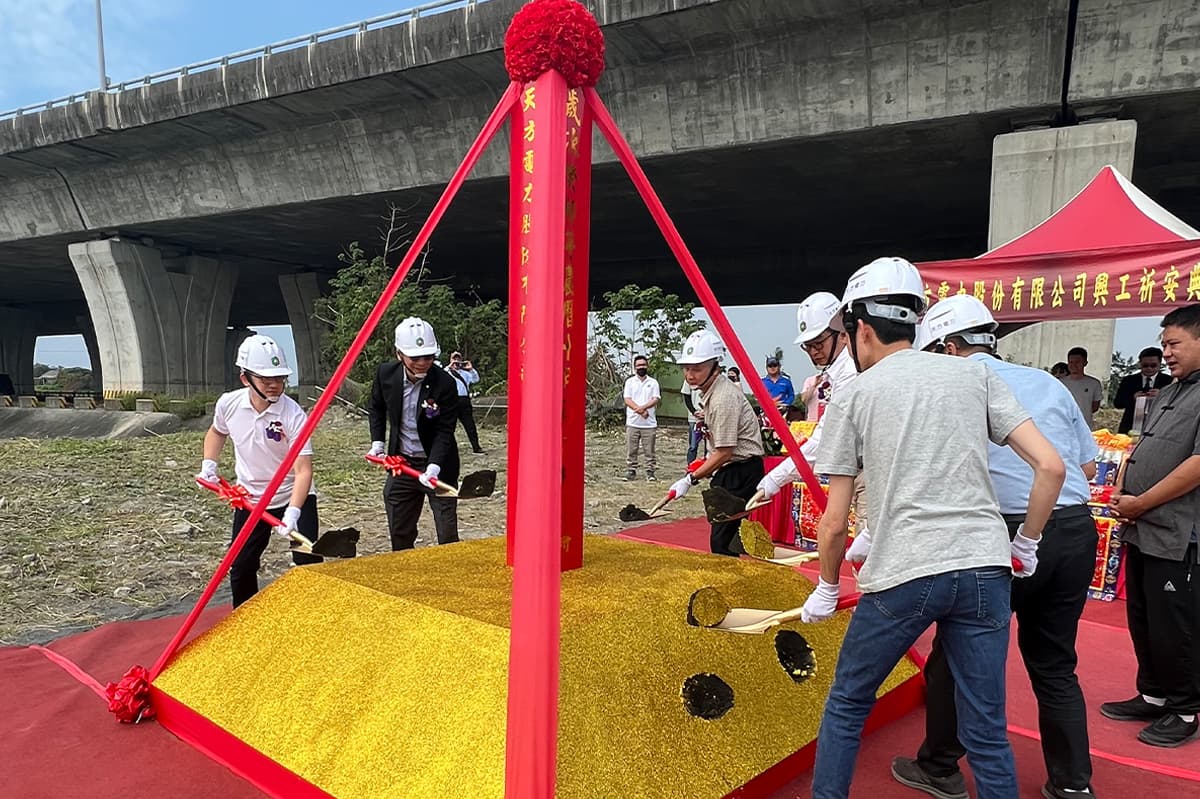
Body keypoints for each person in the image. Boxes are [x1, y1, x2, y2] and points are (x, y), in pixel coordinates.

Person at [801, 256, 1066, 799]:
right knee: (987, 729)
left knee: (849, 702)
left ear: (861, 329)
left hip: (907, 572)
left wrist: (827, 588)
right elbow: (1051, 466)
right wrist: (1027, 542)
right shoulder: (974, 373)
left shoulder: (855, 394)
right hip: (986, 571)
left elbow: (833, 521)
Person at [892, 294, 1100, 799]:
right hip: (1073, 526)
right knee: (1054, 663)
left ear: (946, 346)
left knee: (957, 652)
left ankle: (939, 766)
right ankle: (1072, 784)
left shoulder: (957, 385)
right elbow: (1087, 467)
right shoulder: (1048, 382)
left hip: (1000, 533)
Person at [1102, 303, 1200, 748]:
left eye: (1175, 343)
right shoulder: (1170, 391)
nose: (1167, 353)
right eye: (1164, 344)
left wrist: (1141, 502)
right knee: (1143, 617)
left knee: (1175, 623)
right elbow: (1142, 446)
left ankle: (1185, 707)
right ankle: (1155, 694)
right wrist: (1125, 486)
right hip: (1143, 526)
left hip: (1179, 532)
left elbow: (1197, 464)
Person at [198, 334, 322, 608]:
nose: (275, 385)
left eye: (280, 378)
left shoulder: (293, 414)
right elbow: (217, 433)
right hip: (250, 499)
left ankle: (315, 617)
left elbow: (303, 471)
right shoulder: (228, 404)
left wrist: (293, 512)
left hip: (293, 495)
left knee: (308, 560)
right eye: (267, 380)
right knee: (241, 565)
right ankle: (245, 621)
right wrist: (209, 463)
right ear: (246, 379)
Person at [756, 292, 868, 558]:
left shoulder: (851, 373)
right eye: (808, 346)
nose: (814, 351)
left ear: (842, 332)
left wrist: (774, 479)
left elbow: (826, 438)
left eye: (819, 342)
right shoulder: (837, 372)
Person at [368, 317, 461, 551]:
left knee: (447, 533)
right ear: (399, 354)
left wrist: (434, 468)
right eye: (415, 357)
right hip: (402, 464)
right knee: (400, 528)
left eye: (428, 357)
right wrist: (377, 442)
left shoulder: (445, 384)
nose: (423, 363)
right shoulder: (385, 374)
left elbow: (444, 431)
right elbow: (376, 407)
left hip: (437, 464)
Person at [670, 329, 764, 556]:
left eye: (697, 368)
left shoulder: (723, 398)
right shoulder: (711, 393)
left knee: (722, 541)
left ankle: (730, 585)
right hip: (729, 469)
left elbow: (724, 451)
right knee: (729, 538)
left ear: (715, 366)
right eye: (687, 368)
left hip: (739, 471)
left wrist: (690, 480)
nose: (690, 375)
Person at [1112, 346, 1172, 434]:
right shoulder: (1129, 380)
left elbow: (1176, 404)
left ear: (1160, 364)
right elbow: (1118, 403)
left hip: (1157, 426)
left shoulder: (1169, 381)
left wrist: (1162, 396)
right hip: (1130, 427)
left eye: (1153, 365)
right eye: (1145, 365)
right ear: (1140, 364)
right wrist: (1133, 398)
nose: (1149, 368)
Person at [623, 355, 661, 481]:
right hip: (633, 422)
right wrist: (640, 411)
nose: (641, 367)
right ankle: (631, 471)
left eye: (643, 365)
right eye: (639, 366)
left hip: (649, 424)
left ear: (647, 366)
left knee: (649, 450)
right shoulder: (630, 382)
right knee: (631, 449)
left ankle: (650, 472)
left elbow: (655, 399)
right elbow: (627, 399)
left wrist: (642, 408)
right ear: (634, 367)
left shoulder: (653, 382)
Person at [447, 351, 484, 453]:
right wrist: (450, 366)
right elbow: (440, 375)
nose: (457, 361)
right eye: (454, 359)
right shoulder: (447, 373)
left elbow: (476, 379)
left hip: (464, 400)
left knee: (470, 425)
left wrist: (471, 368)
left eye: (458, 359)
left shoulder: (466, 373)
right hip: (451, 400)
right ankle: (448, 448)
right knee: (449, 426)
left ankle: (476, 447)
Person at [1062, 347, 1104, 428]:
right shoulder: (1060, 383)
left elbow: (1095, 406)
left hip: (1085, 427)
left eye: (1077, 362)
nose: (1074, 365)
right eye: (1071, 362)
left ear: (1085, 363)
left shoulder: (1094, 383)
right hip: (1064, 426)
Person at [681, 380, 707, 464]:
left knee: (709, 446)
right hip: (694, 417)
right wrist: (694, 411)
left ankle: (708, 469)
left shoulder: (710, 376)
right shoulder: (689, 379)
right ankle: (690, 467)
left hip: (709, 416)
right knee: (693, 445)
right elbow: (686, 396)